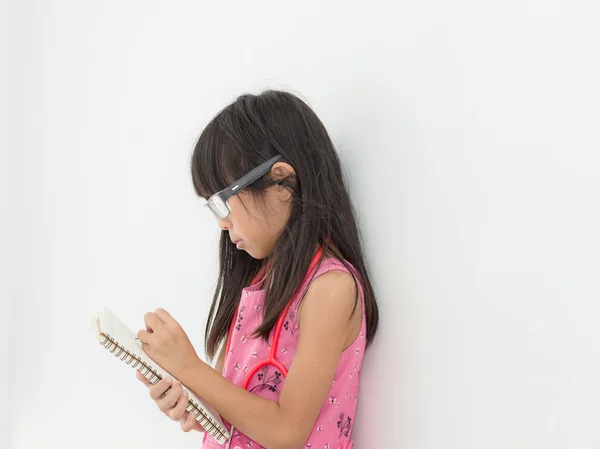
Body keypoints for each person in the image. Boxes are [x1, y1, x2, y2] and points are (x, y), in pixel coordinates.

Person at [135, 90, 379, 449]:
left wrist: (190, 368)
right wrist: (191, 398)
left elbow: (287, 432)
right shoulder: (254, 285)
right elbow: (232, 406)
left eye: (222, 202)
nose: (221, 223)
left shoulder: (330, 288)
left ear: (282, 183)